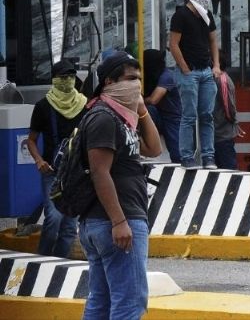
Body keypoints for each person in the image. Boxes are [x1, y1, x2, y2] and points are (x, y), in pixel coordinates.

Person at [80, 52, 162, 318]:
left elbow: (153, 148)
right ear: (109, 82)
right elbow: (99, 172)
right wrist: (118, 221)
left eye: (139, 79)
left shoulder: (121, 118)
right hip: (115, 220)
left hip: (108, 221)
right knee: (130, 302)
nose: (136, 85)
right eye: (129, 79)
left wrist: (141, 110)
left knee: (101, 303)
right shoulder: (103, 117)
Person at [25, 60, 87, 257]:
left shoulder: (84, 105)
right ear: (54, 80)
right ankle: (42, 260)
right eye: (62, 77)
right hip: (52, 172)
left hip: (76, 174)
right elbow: (31, 140)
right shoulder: (43, 106)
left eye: (70, 76)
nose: (67, 81)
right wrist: (38, 161)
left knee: (70, 226)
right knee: (53, 218)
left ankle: (58, 264)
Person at [169, 0, 220, 169]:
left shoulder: (207, 15)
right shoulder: (181, 15)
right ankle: (187, 156)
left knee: (207, 115)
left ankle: (208, 155)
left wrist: (216, 65)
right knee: (189, 115)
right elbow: (173, 44)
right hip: (189, 71)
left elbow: (213, 41)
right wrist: (184, 68)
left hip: (206, 70)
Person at [143, 49, 182, 164]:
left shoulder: (166, 76)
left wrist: (141, 101)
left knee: (177, 154)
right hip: (159, 114)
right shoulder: (149, 75)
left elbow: (154, 100)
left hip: (172, 117)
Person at [213, 68, 240, 170]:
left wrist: (234, 121)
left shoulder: (221, 80)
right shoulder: (221, 79)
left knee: (228, 168)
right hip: (222, 131)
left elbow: (229, 107)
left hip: (222, 132)